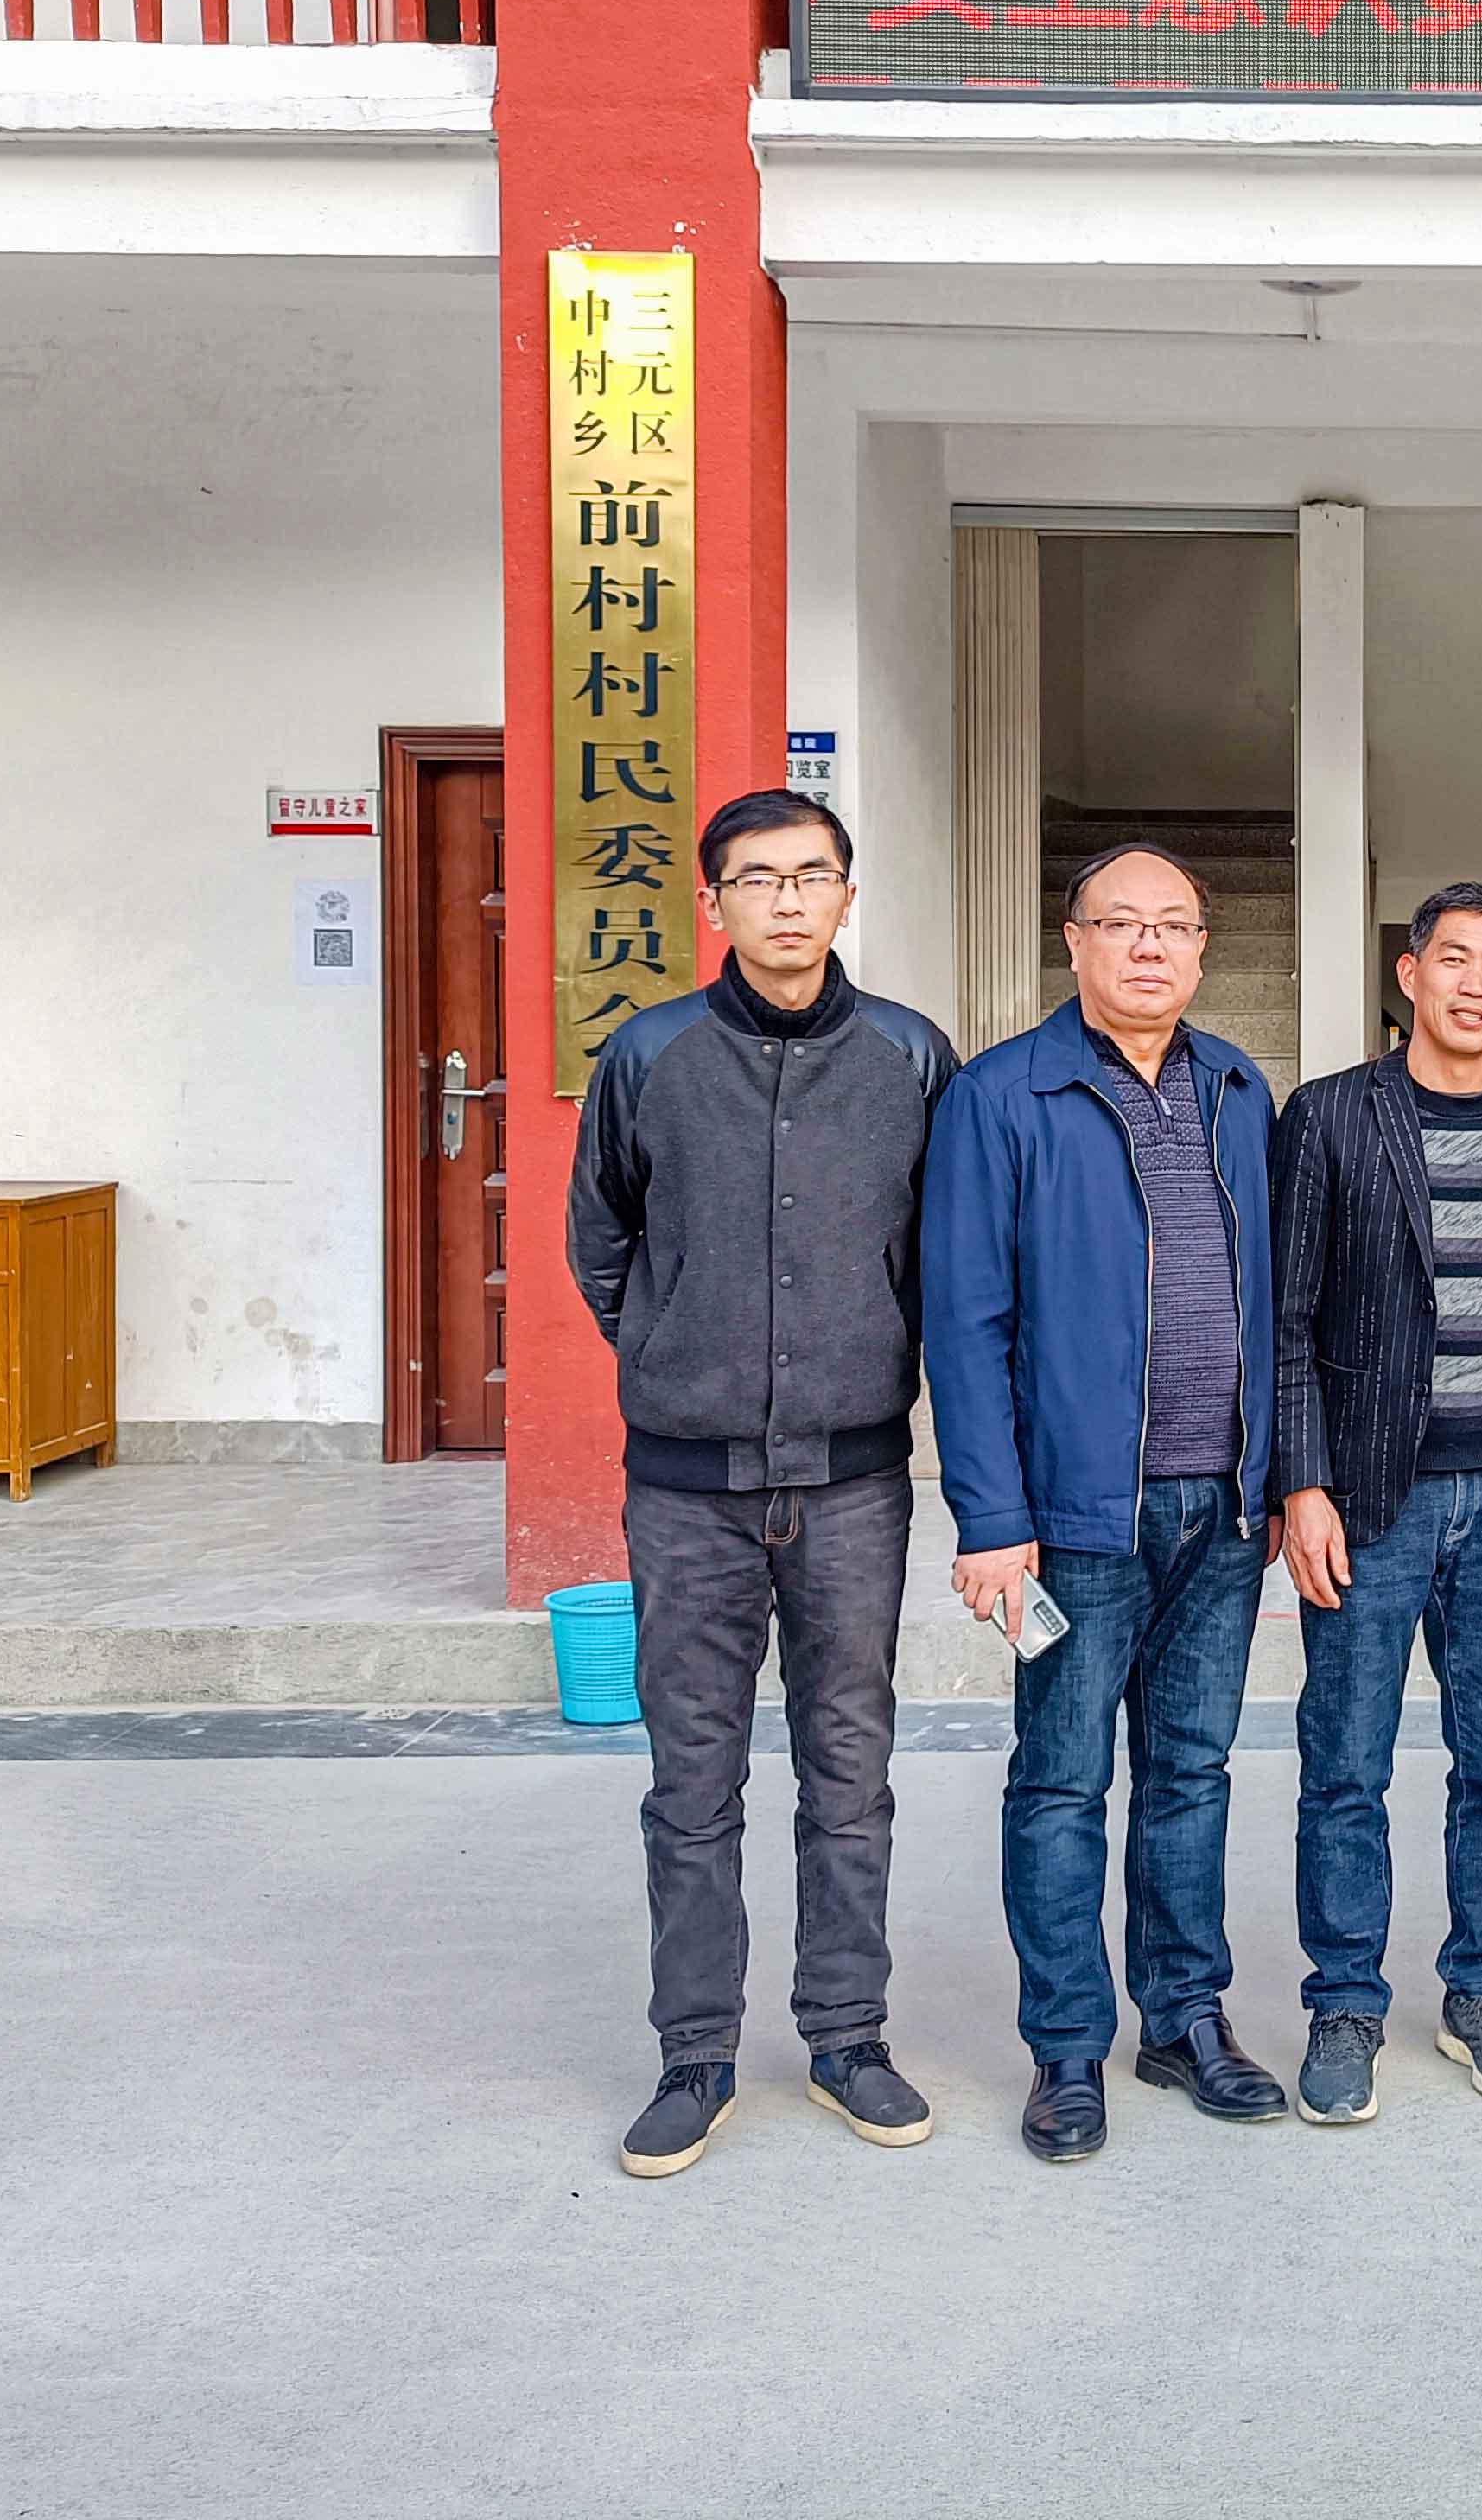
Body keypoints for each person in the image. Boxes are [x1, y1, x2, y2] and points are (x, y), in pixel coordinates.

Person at [564, 786, 956, 2180]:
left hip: (853, 1483)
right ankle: (695, 2052)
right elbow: (601, 1238)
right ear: (714, 902)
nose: (787, 901)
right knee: (693, 1779)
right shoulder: (649, 1054)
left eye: (811, 876)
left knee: (851, 1771)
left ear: (849, 894)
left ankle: (848, 2035)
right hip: (688, 1491)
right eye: (757, 879)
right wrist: (674, 1352)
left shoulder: (911, 1056)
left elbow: (944, 1255)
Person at [925, 841, 1286, 2165]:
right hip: (1076, 1519)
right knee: (1063, 1782)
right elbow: (964, 1322)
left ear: (1200, 950)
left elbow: (1275, 1301)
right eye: (1121, 924)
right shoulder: (1000, 1095)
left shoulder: (1239, 1089)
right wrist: (988, 1517)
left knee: (1192, 1772)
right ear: (1071, 942)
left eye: (1173, 926)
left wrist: (1278, 1476)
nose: (1148, 947)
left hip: (1223, 1507)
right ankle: (1067, 2046)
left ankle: (1184, 2018)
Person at [1268, 883, 1482, 2123]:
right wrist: (1300, 1481)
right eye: (1452, 958)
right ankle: (1344, 2002)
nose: (1475, 983)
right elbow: (1287, 1316)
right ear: (1409, 973)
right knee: (1344, 1763)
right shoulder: (1329, 1115)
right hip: (1373, 1498)